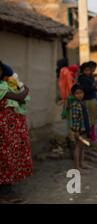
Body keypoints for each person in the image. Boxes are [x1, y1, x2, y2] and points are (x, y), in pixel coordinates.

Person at [0, 61, 32, 203]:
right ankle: (6, 193)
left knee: (8, 156)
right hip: (4, 129)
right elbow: (19, 97)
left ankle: (6, 189)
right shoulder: (1, 88)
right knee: (5, 157)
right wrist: (25, 90)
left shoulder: (6, 85)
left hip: (10, 129)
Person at [68, 84, 91, 171]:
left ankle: (82, 163)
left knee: (83, 146)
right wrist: (76, 131)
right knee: (77, 147)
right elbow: (75, 119)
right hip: (79, 130)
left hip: (84, 128)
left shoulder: (83, 103)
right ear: (73, 95)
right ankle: (77, 166)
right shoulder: (75, 105)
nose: (79, 95)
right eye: (77, 93)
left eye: (81, 92)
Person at [78, 62, 97, 142]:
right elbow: (85, 89)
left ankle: (92, 135)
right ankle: (86, 135)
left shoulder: (91, 77)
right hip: (85, 99)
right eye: (86, 70)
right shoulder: (82, 78)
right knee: (86, 118)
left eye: (89, 70)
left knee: (93, 118)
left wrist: (93, 87)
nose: (88, 72)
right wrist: (93, 87)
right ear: (83, 71)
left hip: (92, 98)